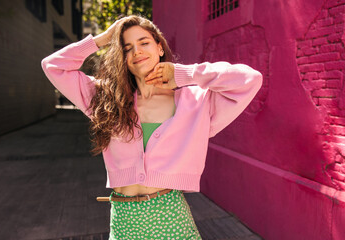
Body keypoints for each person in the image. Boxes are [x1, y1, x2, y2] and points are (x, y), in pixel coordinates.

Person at [42, 15, 262, 240]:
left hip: (170, 217)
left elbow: (250, 79)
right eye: (127, 47)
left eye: (144, 42)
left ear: (159, 47)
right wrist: (103, 39)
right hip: (123, 220)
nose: (136, 51)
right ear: (122, 57)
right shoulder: (106, 99)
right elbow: (53, 66)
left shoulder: (195, 102)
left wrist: (183, 74)